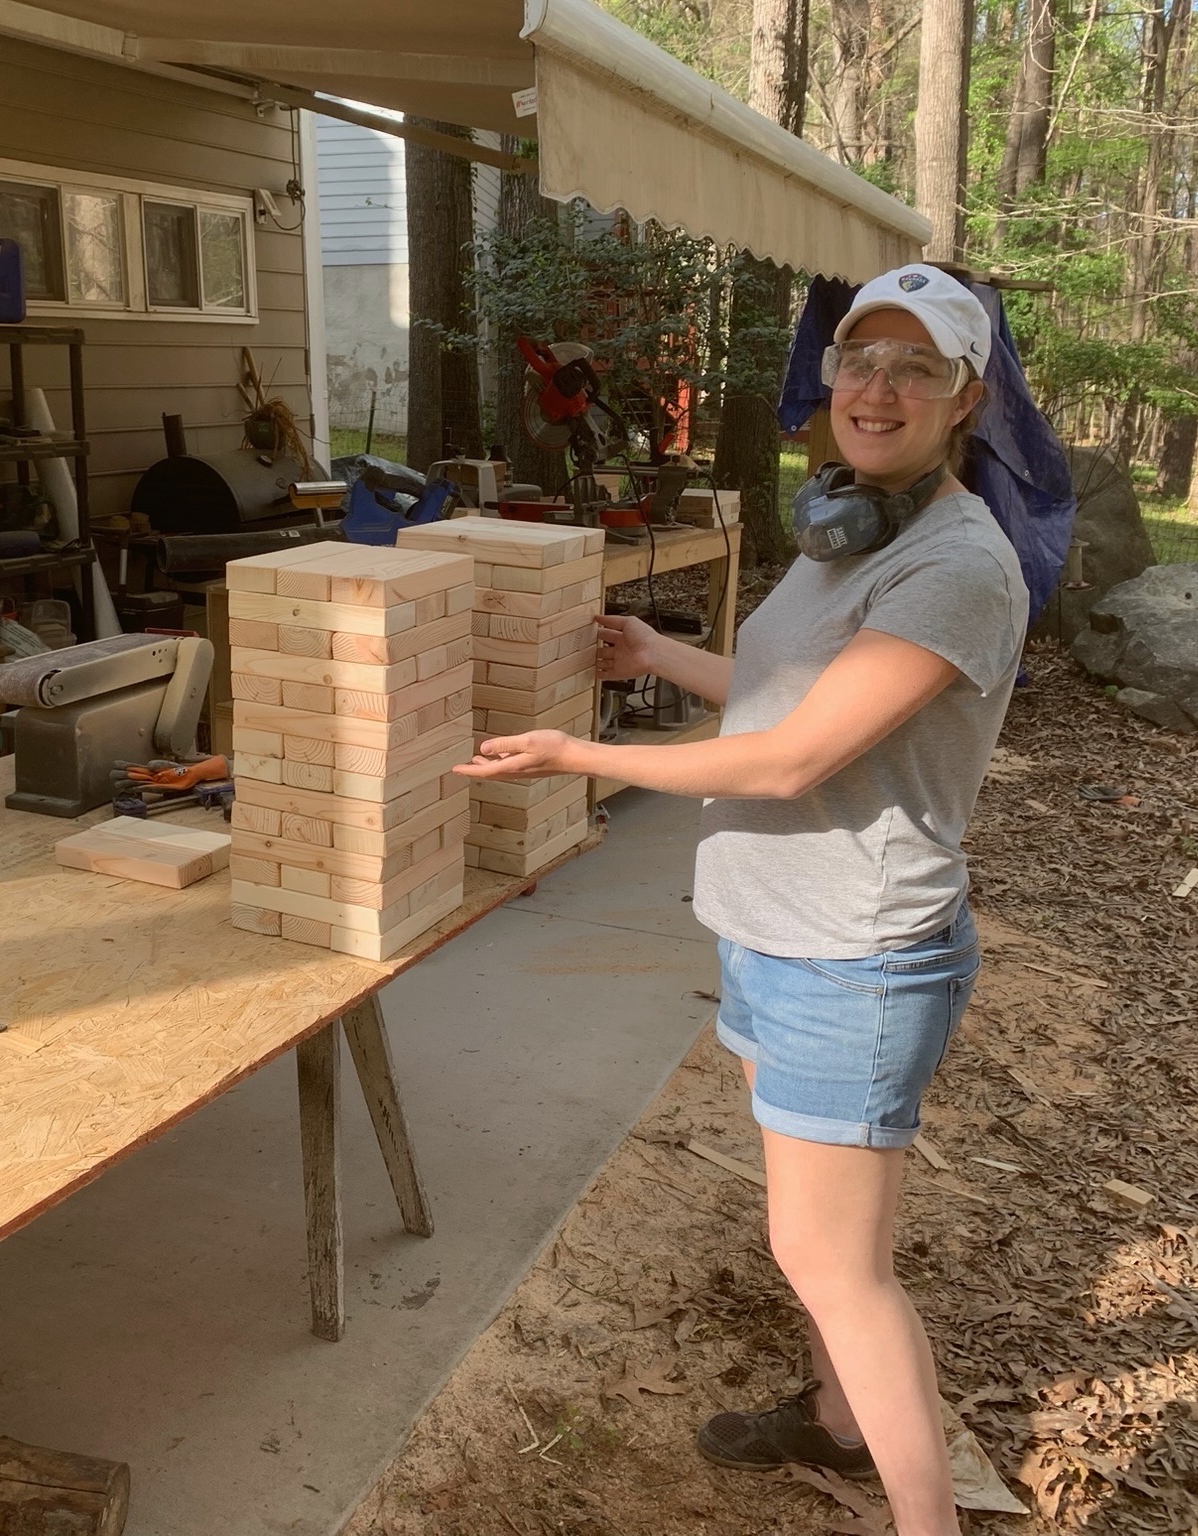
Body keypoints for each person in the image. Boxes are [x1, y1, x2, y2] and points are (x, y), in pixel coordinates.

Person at [456, 264, 1029, 1536]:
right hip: (784, 933)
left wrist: (577, 759)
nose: (876, 389)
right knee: (826, 1252)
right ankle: (832, 1426)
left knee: (834, 1263)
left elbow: (789, 758)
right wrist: (658, 655)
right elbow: (786, 696)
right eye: (858, 362)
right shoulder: (852, 525)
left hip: (855, 955)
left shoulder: (955, 570)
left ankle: (924, 1522)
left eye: (913, 369)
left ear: (964, 399)